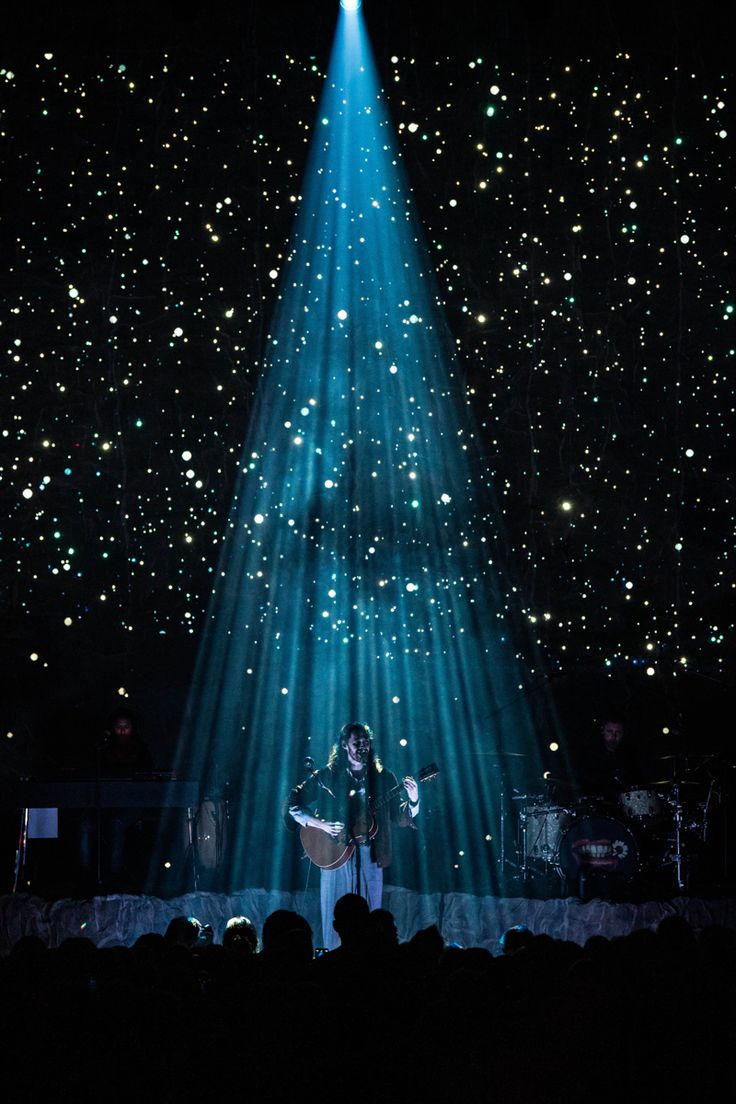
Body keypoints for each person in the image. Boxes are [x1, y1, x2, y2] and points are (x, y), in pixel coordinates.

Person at [288, 722, 419, 950]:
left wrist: (414, 798)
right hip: (333, 855)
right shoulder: (327, 776)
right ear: (344, 745)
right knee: (335, 913)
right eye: (357, 743)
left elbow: (400, 817)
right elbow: (293, 804)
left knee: (369, 913)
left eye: (366, 742)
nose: (362, 747)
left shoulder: (383, 777)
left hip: (370, 854)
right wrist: (323, 825)